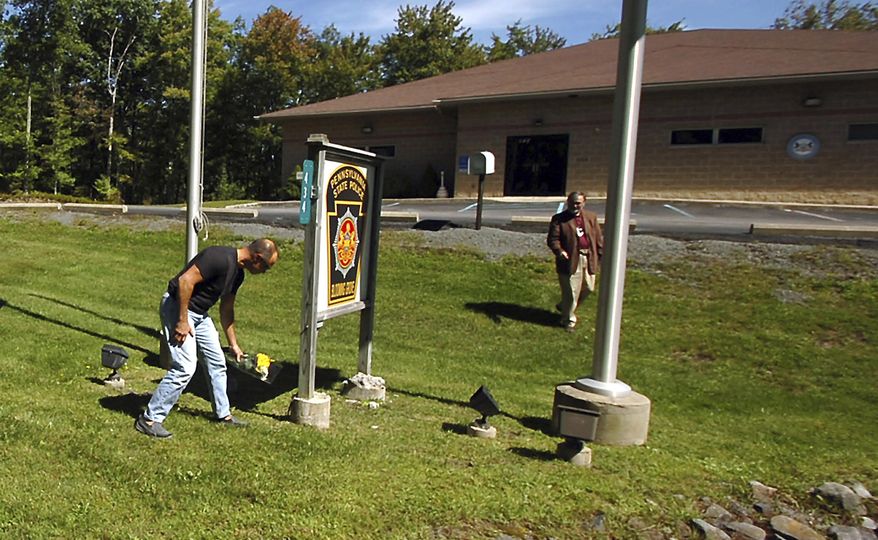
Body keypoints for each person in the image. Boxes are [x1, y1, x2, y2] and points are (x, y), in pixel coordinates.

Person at [135, 238, 279, 438]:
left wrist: (234, 345)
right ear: (256, 258)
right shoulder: (218, 257)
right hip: (177, 307)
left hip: (199, 315)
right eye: (266, 267)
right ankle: (150, 419)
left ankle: (223, 415)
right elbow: (184, 281)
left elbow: (226, 308)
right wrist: (182, 321)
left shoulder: (237, 274)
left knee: (217, 362)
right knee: (185, 367)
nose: (264, 272)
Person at [547, 192, 603, 332]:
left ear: (584, 203)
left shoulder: (591, 217)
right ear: (568, 202)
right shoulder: (559, 219)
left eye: (578, 203)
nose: (575, 205)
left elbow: (598, 238)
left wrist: (601, 255)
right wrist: (559, 251)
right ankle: (568, 321)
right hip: (570, 259)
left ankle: (565, 306)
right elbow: (553, 239)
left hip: (588, 257)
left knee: (589, 288)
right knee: (572, 291)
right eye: (572, 202)